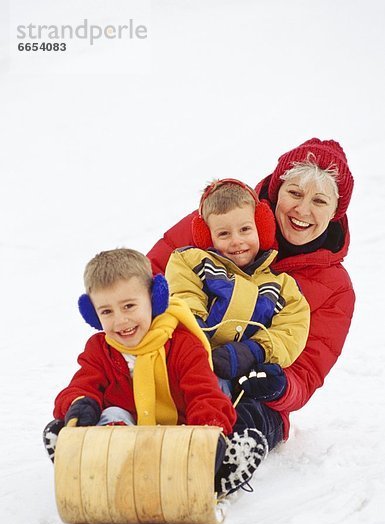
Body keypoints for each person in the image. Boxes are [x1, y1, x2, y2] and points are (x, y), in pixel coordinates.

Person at [147, 138, 355, 445]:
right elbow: (147, 279)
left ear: (335, 211)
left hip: (252, 396)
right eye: (294, 193)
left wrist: (278, 384)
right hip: (181, 362)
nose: (303, 210)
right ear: (276, 191)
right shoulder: (225, 217)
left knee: (248, 418)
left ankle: (220, 458)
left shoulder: (335, 289)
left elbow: (307, 371)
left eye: (320, 201)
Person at [43, 248, 268, 497]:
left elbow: (204, 394)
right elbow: (81, 385)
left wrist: (207, 435)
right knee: (112, 412)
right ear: (93, 314)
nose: (120, 321)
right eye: (106, 311)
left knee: (218, 415)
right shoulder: (100, 350)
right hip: (127, 443)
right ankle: (98, 465)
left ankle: (209, 472)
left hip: (178, 441)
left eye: (129, 306)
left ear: (154, 298)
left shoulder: (182, 344)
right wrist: (80, 405)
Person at [164, 178, 310, 454]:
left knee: (239, 412)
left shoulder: (282, 287)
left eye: (245, 229)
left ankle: (221, 454)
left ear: (261, 228)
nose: (237, 242)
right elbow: (183, 297)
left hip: (243, 378)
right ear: (208, 237)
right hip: (194, 363)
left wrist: (253, 351)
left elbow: (291, 332)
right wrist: (196, 336)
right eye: (224, 234)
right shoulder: (190, 261)